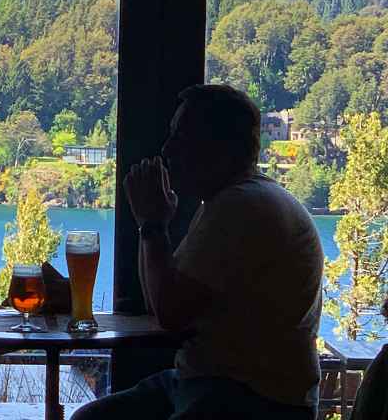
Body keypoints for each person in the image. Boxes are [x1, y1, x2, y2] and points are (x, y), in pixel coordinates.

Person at [73, 84, 324, 420]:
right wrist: (152, 224)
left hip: (252, 397)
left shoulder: (241, 207)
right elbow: (160, 304)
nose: (167, 149)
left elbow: (170, 315)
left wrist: (152, 225)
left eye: (182, 137)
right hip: (213, 381)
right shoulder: (239, 199)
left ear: (220, 148)